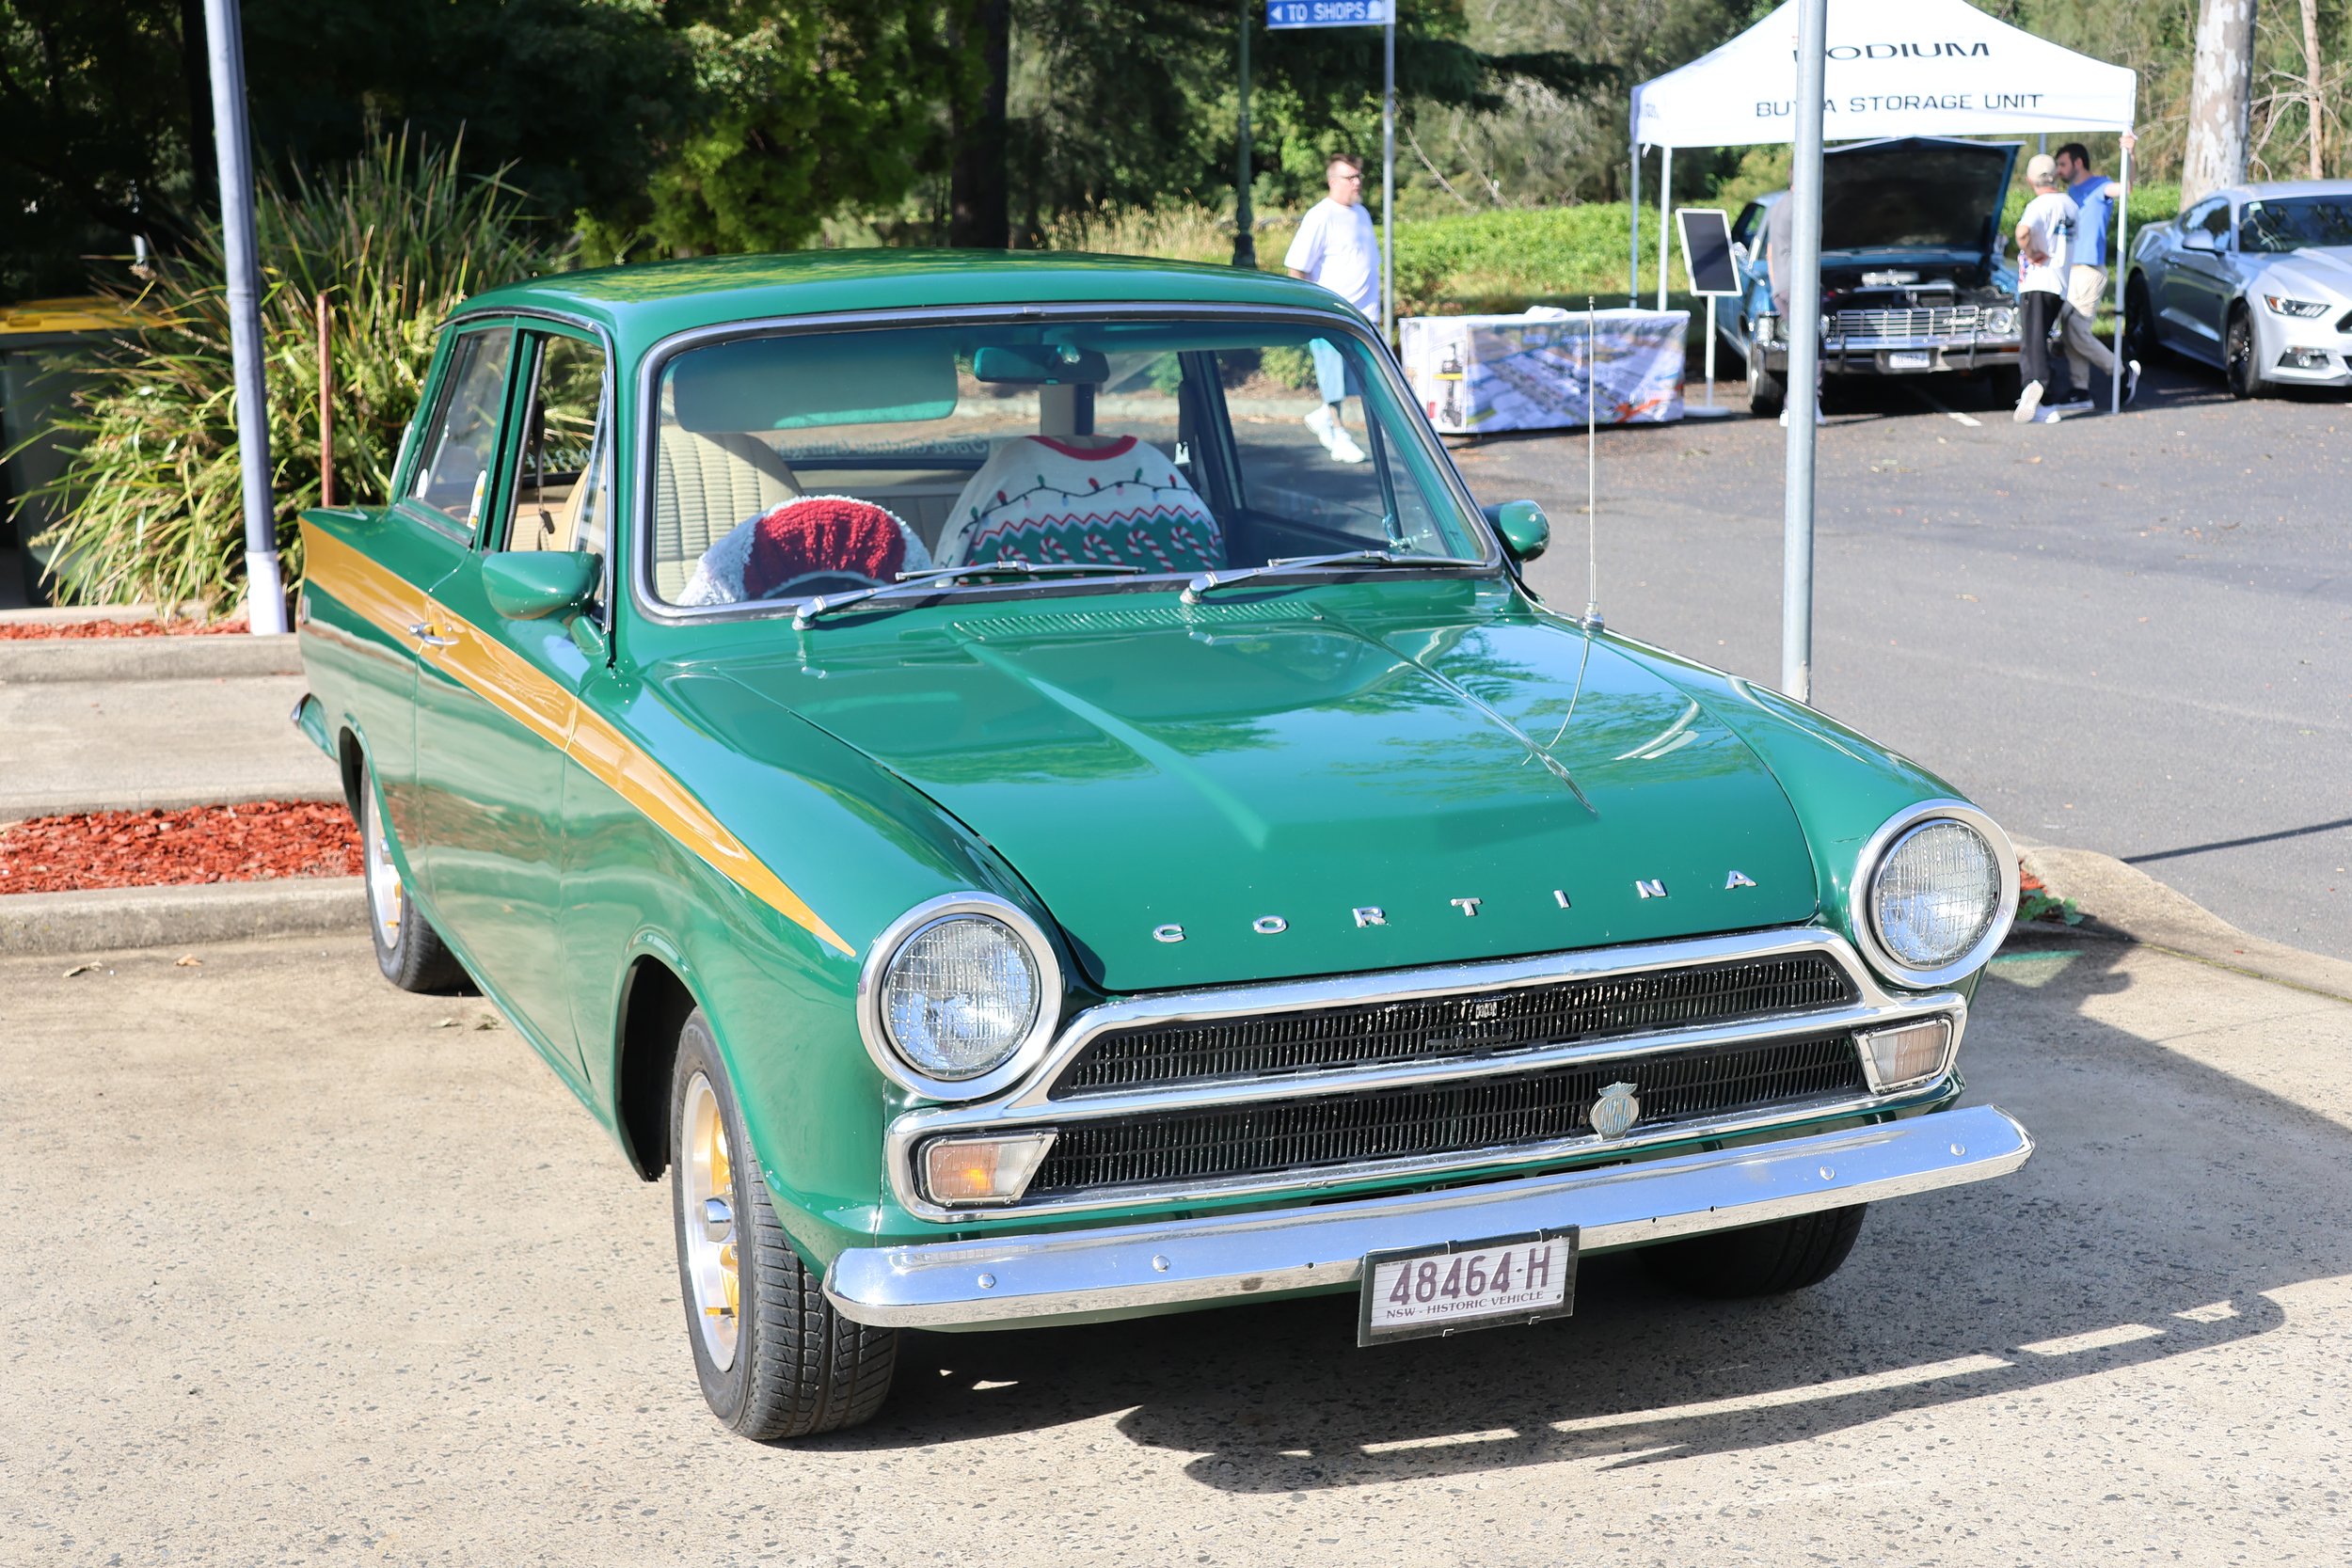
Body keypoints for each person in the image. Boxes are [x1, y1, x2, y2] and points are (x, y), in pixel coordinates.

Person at [1284, 152, 1379, 464]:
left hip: (1365, 317)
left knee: (1361, 380)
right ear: (1333, 181)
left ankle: (1323, 418)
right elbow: (1297, 268)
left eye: (1359, 176)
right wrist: (1308, 310)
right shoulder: (1320, 216)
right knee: (1333, 382)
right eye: (1350, 177)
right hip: (1334, 317)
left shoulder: (1361, 214)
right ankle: (1338, 435)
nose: (1357, 182)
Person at [2050, 137, 2141, 412]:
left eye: (2062, 164)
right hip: (2069, 268)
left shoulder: (2101, 186)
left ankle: (2120, 371)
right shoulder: (2069, 193)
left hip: (2089, 269)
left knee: (2077, 329)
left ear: (2078, 162)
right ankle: (2080, 389)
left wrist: (2130, 153)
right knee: (2070, 331)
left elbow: (2126, 188)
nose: (2058, 170)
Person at [2011, 153, 2077, 424]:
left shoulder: (2038, 205)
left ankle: (2041, 393)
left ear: (2030, 180)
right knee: (2038, 338)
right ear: (2056, 176)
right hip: (2059, 282)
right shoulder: (2070, 205)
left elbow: (2022, 232)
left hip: (2038, 280)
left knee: (2033, 341)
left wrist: (2030, 251)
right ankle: (2034, 390)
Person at [1762, 193, 1824, 425]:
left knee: (1799, 345)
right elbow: (1814, 242)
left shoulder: (1776, 206)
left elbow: (1770, 251)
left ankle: (1793, 407)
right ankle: (1807, 405)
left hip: (1782, 287)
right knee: (1814, 347)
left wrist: (1776, 286)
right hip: (1801, 287)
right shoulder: (1806, 203)